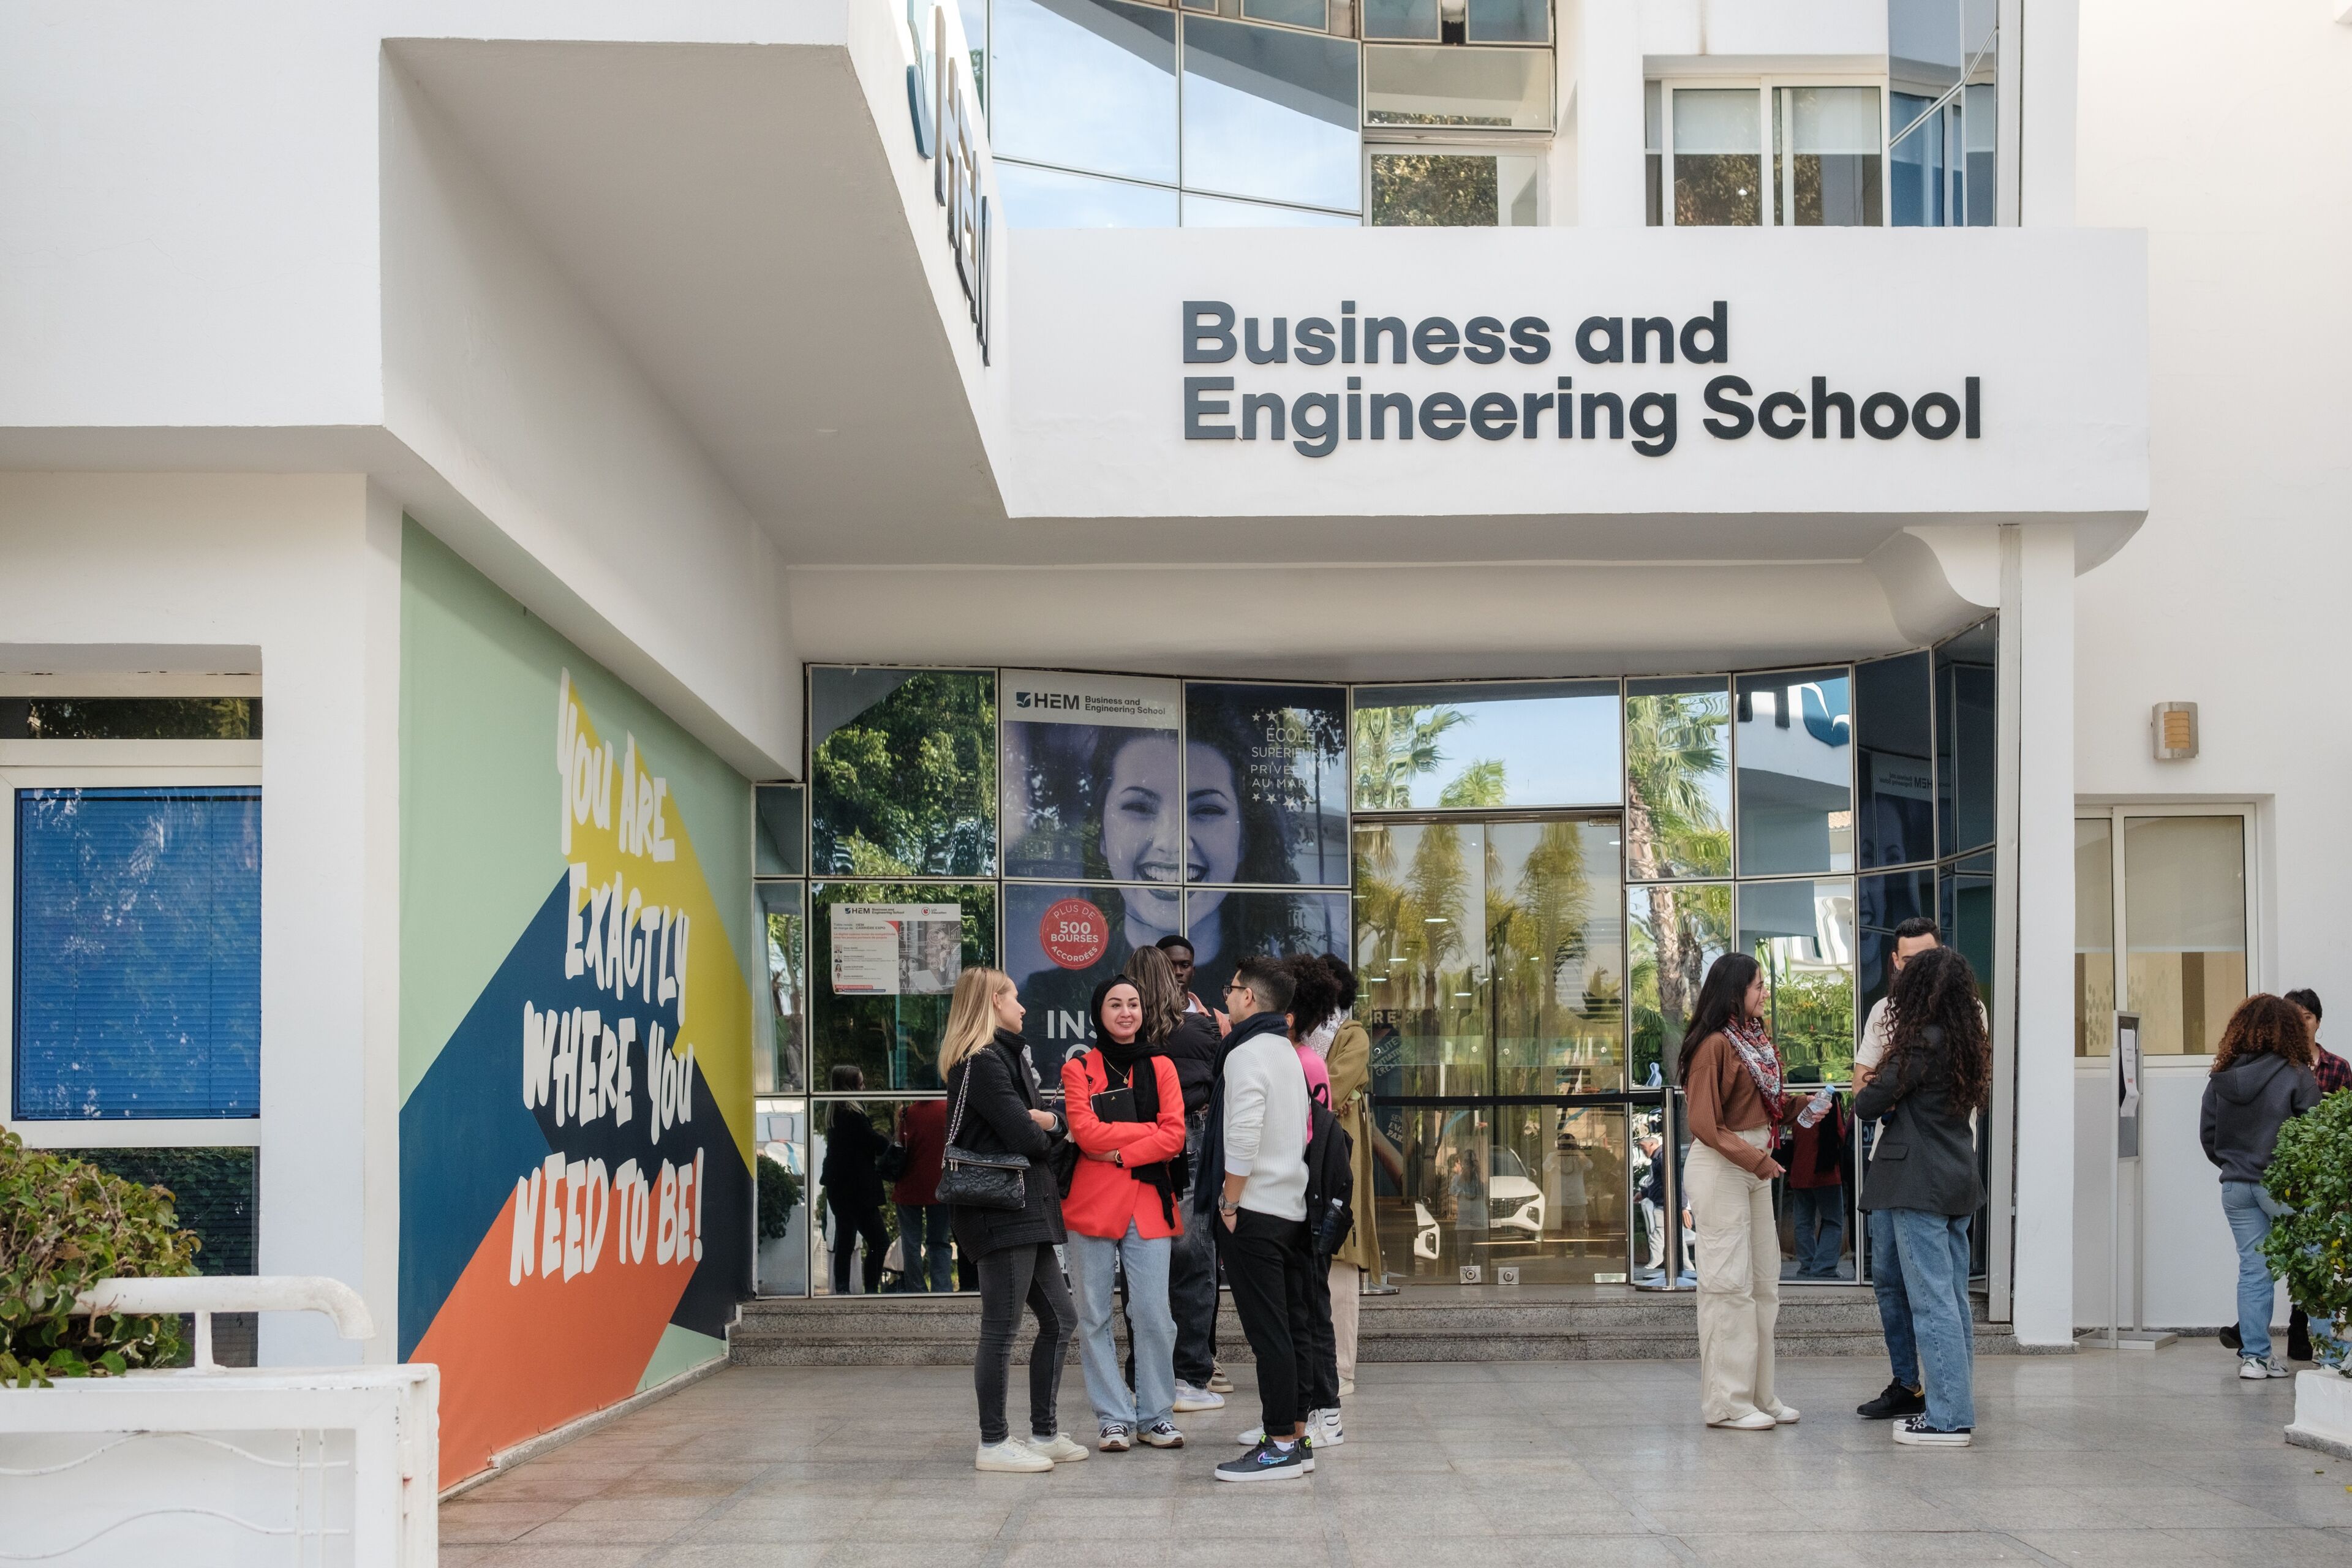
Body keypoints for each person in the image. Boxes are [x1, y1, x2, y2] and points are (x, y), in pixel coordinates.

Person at [938, 967, 1088, 1474]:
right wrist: (1051, 1125)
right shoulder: (980, 1063)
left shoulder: (1004, 1058)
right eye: (1015, 998)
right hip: (999, 1210)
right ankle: (993, 1442)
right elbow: (1026, 1137)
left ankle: (1043, 1433)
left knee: (1061, 1319)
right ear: (993, 1002)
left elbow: (1037, 1126)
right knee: (1001, 1330)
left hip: (1027, 1207)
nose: (1023, 1008)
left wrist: (1049, 1123)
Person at [1853, 947, 1991, 1447]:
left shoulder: (1921, 1044)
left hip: (1917, 1183)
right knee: (1951, 1302)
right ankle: (1955, 1404)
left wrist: (1887, 1067)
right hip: (1956, 1178)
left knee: (1932, 1304)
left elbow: (1866, 1101)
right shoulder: (1966, 1042)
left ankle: (1947, 1417)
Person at [1198, 957, 1317, 1481]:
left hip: (1255, 1211)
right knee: (1290, 1328)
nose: (1226, 996)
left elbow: (1242, 1134)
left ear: (1249, 997)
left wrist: (1229, 1201)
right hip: (1289, 1208)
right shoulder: (1287, 1052)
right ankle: (1296, 1433)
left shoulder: (1246, 1053)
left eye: (1232, 988)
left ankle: (1280, 1446)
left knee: (1269, 1333)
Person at [1061, 978, 1190, 1453]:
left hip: (1148, 1204)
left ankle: (1155, 1415)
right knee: (1093, 1314)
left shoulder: (1162, 1065)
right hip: (1091, 1206)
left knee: (1154, 1312)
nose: (1126, 1012)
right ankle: (1113, 1416)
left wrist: (1118, 1151)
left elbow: (1174, 1137)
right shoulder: (1079, 1068)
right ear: (1100, 1011)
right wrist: (1143, 1135)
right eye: (1115, 1004)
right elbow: (1085, 1133)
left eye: (1133, 1004)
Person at [1679, 952, 1801, 1432]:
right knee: (1728, 1287)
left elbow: (1761, 1107)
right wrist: (1758, 1160)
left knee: (1763, 1286)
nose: (1763, 992)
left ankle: (1759, 1396)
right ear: (1734, 991)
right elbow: (1706, 1126)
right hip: (1723, 1167)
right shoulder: (1713, 1046)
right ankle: (1727, 1404)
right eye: (1757, 985)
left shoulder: (1755, 1041)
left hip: (1753, 1167)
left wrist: (1800, 1108)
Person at [1127, 944, 1230, 1411]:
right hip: (1190, 1139)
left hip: (1136, 1148)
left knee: (1142, 1263)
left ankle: (1143, 1375)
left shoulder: (1122, 1035)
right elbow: (1216, 1082)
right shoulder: (1202, 1027)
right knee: (1194, 1261)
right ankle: (1190, 1375)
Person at [2199, 993, 2321, 1381]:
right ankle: (2335, 1356)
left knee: (2254, 1269)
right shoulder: (2298, 1074)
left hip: (2236, 1187)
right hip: (2282, 1188)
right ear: (2287, 1029)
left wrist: (2234, 1165)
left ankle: (2255, 1358)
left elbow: (2208, 1134)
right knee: (2312, 1264)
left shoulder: (2222, 1077)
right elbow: (2315, 1135)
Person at [1851, 916, 1943, 1420]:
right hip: (1889, 1161)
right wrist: (1887, 1086)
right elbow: (1862, 1085)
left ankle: (1948, 1389)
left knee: (1938, 1286)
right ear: (1894, 962)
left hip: (1936, 1165)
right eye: (1909, 961)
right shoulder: (1884, 1011)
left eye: (1926, 959)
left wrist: (1890, 1083)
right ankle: (1907, 1384)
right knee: (1888, 1277)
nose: (1916, 969)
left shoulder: (1965, 1011)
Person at [1318, 954, 1382, 1396]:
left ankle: (1342, 1370)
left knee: (1341, 1260)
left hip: (1337, 1157)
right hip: (1302, 1158)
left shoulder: (1351, 1033)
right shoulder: (1295, 1030)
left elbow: (1328, 1088)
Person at [2274, 990, 2346, 1364]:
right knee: (2293, 1251)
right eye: (2294, 1017)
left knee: (2317, 1253)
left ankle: (2302, 1330)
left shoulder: (2338, 1067)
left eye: (2307, 1016)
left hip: (2325, 1175)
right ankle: (2297, 1329)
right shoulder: (2277, 1067)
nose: (2302, 1024)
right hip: (2288, 1174)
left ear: (2318, 1020)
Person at [820, 1065, 890, 1296]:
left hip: (839, 1187)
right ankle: (870, 1288)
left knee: (845, 1238)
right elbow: (872, 1142)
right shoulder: (853, 1115)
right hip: (858, 1189)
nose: (864, 1088)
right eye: (860, 1084)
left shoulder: (835, 1114)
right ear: (851, 1087)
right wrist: (890, 1144)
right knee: (879, 1241)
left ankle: (842, 1288)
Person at [1781, 1092, 1849, 1280]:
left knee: (1803, 1223)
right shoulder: (1828, 1102)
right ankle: (1824, 1269)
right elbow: (1840, 1134)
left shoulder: (1797, 1103)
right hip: (1825, 1172)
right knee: (1833, 1221)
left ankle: (1807, 1267)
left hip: (1799, 1171)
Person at [891, 1098, 952, 1292]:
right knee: (940, 1242)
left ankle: (916, 1288)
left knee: (911, 1242)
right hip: (940, 1185)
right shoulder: (948, 1111)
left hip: (910, 1185)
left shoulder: (906, 1114)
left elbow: (899, 1145)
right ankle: (942, 1289)